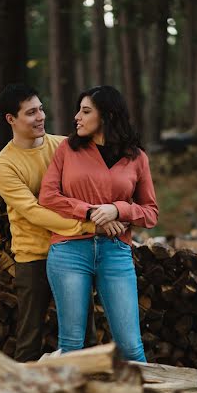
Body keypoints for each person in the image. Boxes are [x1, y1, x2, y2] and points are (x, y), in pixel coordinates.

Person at [0, 83, 124, 362]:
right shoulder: (4, 165)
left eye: (41, 109)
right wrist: (89, 225)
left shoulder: (64, 146)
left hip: (73, 250)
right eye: (30, 113)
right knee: (30, 336)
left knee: (86, 336)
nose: (40, 117)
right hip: (34, 255)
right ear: (10, 119)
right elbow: (34, 212)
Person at [39, 85, 159, 361]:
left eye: (85, 111)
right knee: (72, 347)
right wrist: (91, 211)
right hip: (69, 250)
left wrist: (117, 210)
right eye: (78, 110)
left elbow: (150, 212)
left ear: (107, 115)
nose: (76, 117)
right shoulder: (68, 150)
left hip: (115, 252)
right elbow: (48, 195)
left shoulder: (137, 158)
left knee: (130, 347)